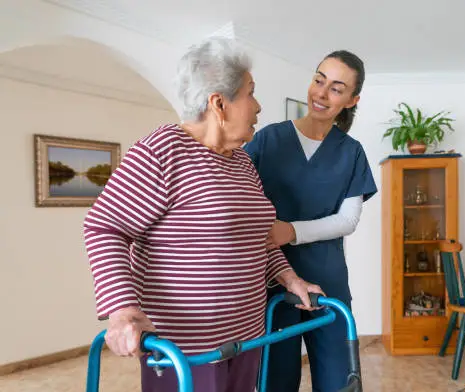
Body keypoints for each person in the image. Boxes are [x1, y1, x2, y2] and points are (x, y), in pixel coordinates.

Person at [82, 37, 324, 392]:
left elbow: (258, 237)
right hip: (187, 347)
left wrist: (291, 279)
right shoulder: (161, 151)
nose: (258, 106)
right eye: (250, 92)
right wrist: (122, 309)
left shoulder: (242, 162)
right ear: (219, 103)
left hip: (247, 336)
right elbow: (105, 227)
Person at [243, 50, 377, 392]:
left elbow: (348, 219)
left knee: (338, 377)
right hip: (271, 278)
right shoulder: (267, 140)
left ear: (351, 99)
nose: (321, 93)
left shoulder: (351, 152)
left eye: (336, 88)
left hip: (327, 277)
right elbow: (240, 199)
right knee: (275, 377)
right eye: (319, 80)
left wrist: (291, 231)